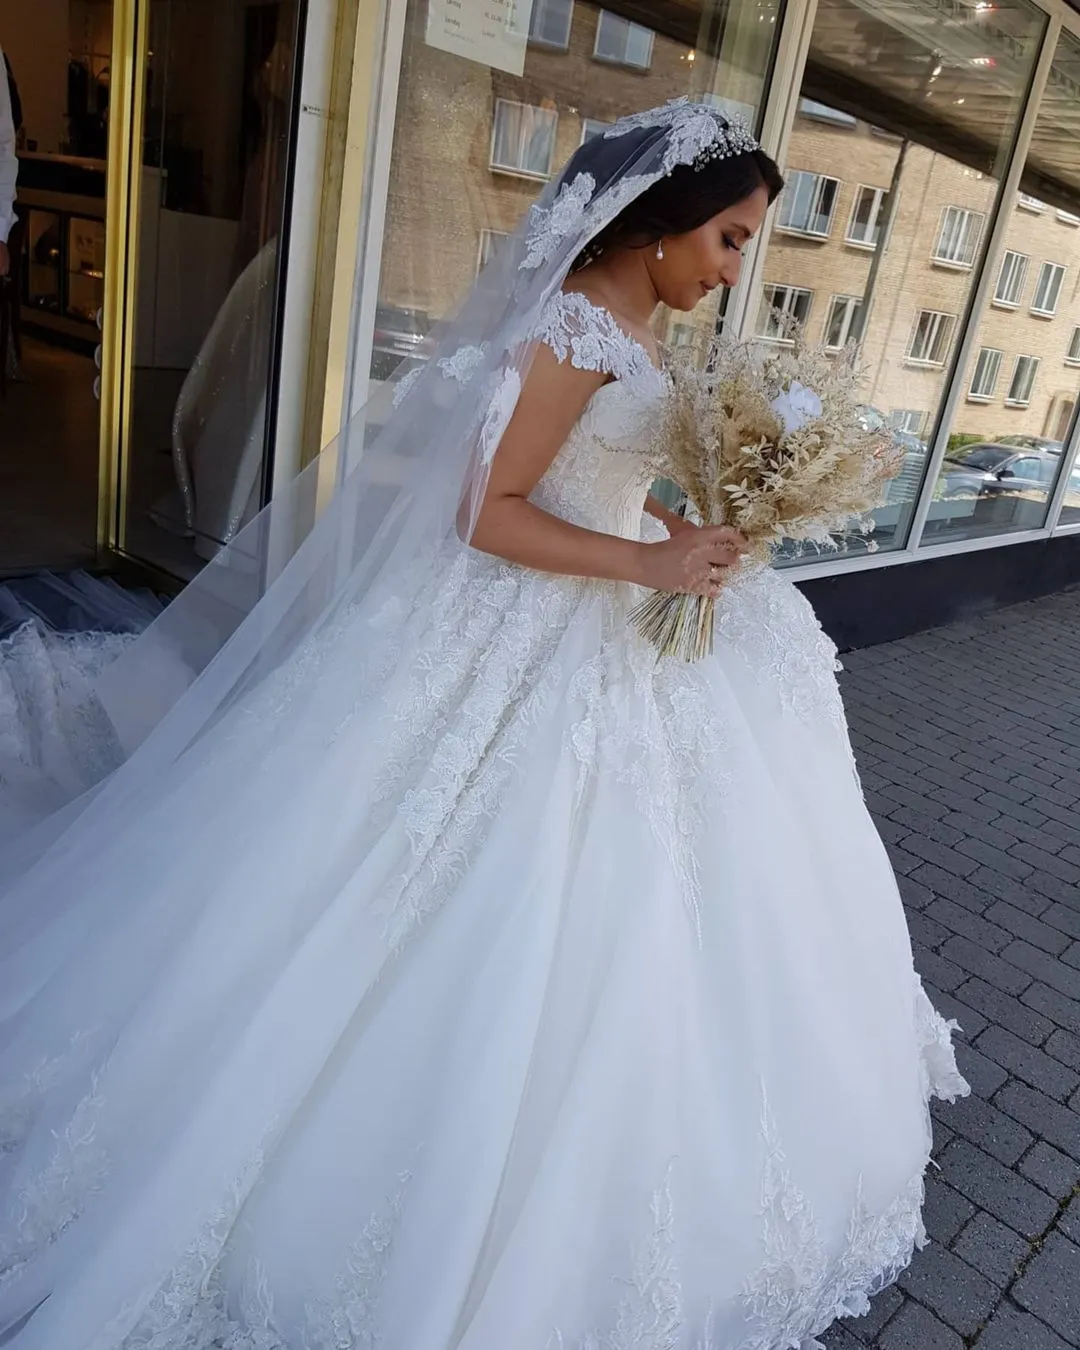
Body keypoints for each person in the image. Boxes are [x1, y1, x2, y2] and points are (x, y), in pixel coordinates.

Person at [0, 101, 967, 1350]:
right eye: (729, 239)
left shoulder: (637, 327)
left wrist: (672, 535)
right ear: (663, 222)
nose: (736, 268)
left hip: (606, 620)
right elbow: (489, 512)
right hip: (515, 633)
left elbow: (601, 486)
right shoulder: (573, 325)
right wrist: (645, 572)